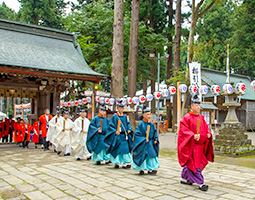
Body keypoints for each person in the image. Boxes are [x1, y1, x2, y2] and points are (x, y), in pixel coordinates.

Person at [178, 94, 214, 191]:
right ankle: (201, 183)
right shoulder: (186, 118)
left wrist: (209, 133)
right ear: (192, 106)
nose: (198, 107)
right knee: (194, 164)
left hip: (201, 145)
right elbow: (183, 131)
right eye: (196, 105)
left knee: (191, 163)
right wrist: (192, 135)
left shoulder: (201, 118)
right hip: (192, 146)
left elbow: (206, 128)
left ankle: (184, 177)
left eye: (199, 106)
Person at [105, 101, 133, 168]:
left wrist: (129, 129)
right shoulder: (115, 116)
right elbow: (110, 126)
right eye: (120, 108)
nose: (121, 110)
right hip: (117, 136)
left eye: (122, 108)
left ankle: (125, 163)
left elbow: (128, 123)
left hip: (124, 135)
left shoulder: (125, 117)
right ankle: (116, 162)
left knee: (125, 149)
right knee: (117, 149)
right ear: (117, 108)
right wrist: (115, 131)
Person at [132, 108, 160, 175]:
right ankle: (141, 168)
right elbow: (137, 134)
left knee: (151, 155)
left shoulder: (151, 124)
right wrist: (144, 139)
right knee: (143, 156)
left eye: (150, 114)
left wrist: (155, 139)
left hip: (150, 143)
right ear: (144, 115)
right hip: (143, 144)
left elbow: (155, 132)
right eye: (147, 114)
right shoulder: (140, 124)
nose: (149, 116)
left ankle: (150, 169)